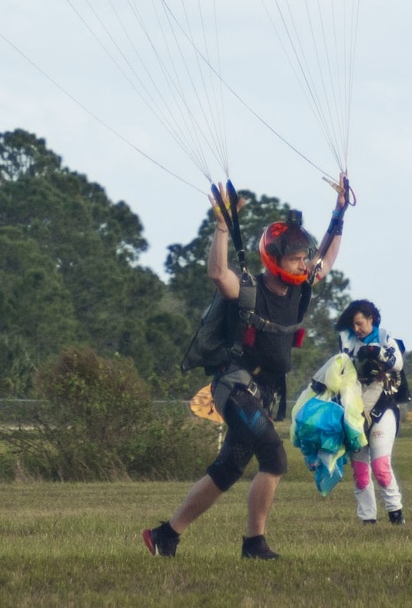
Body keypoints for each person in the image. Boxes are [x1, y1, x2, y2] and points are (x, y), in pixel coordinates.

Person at [143, 176, 350, 561]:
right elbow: (217, 274)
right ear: (275, 259)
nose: (304, 263)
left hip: (262, 393)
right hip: (234, 387)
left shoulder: (302, 287)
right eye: (296, 258)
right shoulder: (250, 289)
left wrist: (339, 212)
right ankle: (254, 544)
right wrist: (222, 225)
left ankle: (165, 536)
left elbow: (328, 257)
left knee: (228, 469)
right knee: (274, 457)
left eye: (304, 257)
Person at [334, 298, 409, 525]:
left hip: (382, 408)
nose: (356, 329)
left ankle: (395, 513)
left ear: (371, 319)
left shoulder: (386, 339)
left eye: (359, 324)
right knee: (359, 469)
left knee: (380, 466)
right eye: (353, 325)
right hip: (354, 410)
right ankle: (368, 519)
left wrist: (378, 354)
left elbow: (398, 364)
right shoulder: (347, 342)